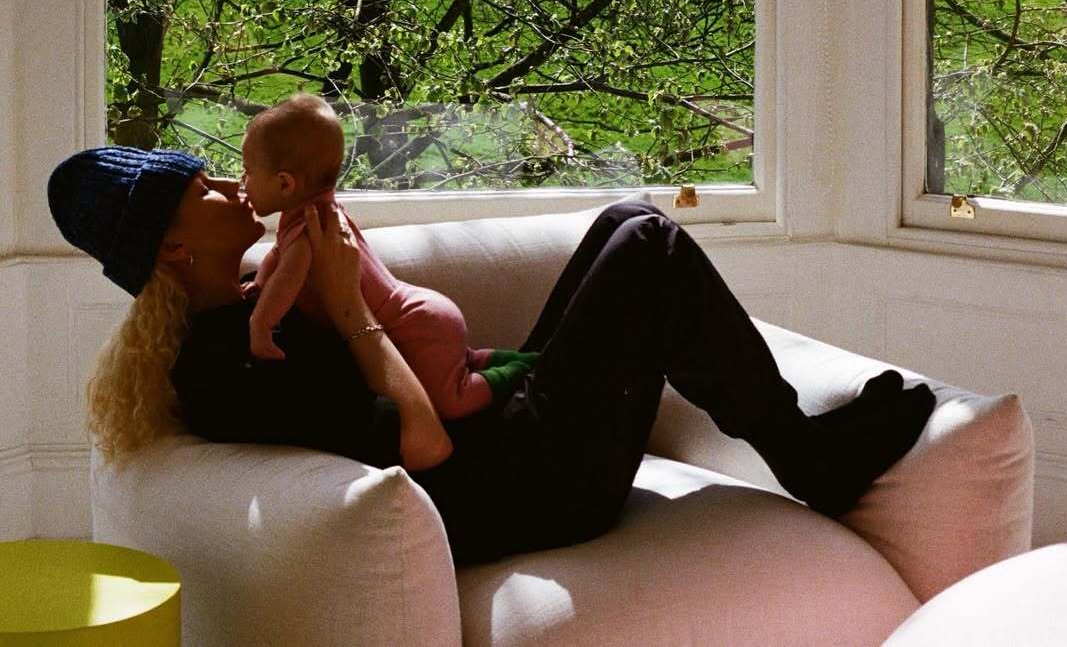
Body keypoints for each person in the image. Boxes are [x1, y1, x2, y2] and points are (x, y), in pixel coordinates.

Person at [47, 146, 936, 568]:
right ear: (171, 247)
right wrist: (352, 308)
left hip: (504, 443)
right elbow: (423, 448)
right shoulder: (226, 370)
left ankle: (800, 446)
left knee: (627, 223)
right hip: (514, 493)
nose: (230, 185)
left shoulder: (252, 297)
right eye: (201, 189)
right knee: (653, 246)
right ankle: (809, 459)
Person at [240, 93, 538, 415]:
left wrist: (261, 321)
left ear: (285, 184)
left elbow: (289, 275)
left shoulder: (312, 227)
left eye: (248, 171)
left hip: (414, 325)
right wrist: (258, 284)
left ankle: (519, 371)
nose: (243, 181)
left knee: (449, 401)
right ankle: (492, 359)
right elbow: (277, 256)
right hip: (420, 318)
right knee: (456, 363)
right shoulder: (309, 215)